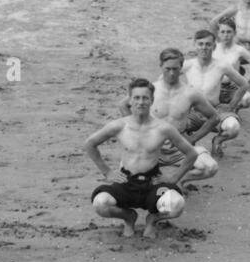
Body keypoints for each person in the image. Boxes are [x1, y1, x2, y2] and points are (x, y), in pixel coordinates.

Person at [85, 78, 201, 239]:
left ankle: (152, 220)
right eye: (137, 98)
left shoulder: (164, 128)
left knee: (177, 206)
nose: (141, 102)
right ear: (130, 100)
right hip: (126, 182)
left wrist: (173, 178)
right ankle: (128, 217)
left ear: (152, 100)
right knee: (100, 204)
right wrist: (107, 172)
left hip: (153, 183)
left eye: (145, 98)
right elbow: (90, 144)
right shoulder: (119, 126)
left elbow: (192, 154)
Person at [120, 48, 221, 183]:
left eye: (175, 69)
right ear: (161, 66)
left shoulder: (191, 94)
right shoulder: (150, 90)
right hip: (152, 146)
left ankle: (180, 181)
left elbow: (214, 117)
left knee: (210, 167)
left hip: (179, 146)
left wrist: (193, 138)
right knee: (127, 175)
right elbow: (123, 105)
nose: (172, 73)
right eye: (168, 69)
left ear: (181, 68)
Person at [182, 28, 247, 155]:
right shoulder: (187, 65)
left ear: (214, 46)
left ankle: (218, 140)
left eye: (208, 44)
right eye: (200, 44)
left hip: (215, 110)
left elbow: (244, 84)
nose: (204, 47)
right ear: (195, 45)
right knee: (172, 124)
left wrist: (230, 106)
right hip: (193, 111)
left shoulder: (222, 66)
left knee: (233, 127)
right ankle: (188, 139)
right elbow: (166, 80)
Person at [214, 17, 250, 110]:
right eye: (223, 32)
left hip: (232, 87)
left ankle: (235, 109)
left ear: (234, 33)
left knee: (247, 99)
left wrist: (245, 80)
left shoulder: (239, 50)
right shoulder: (213, 48)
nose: (226, 35)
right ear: (218, 33)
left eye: (229, 32)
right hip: (215, 86)